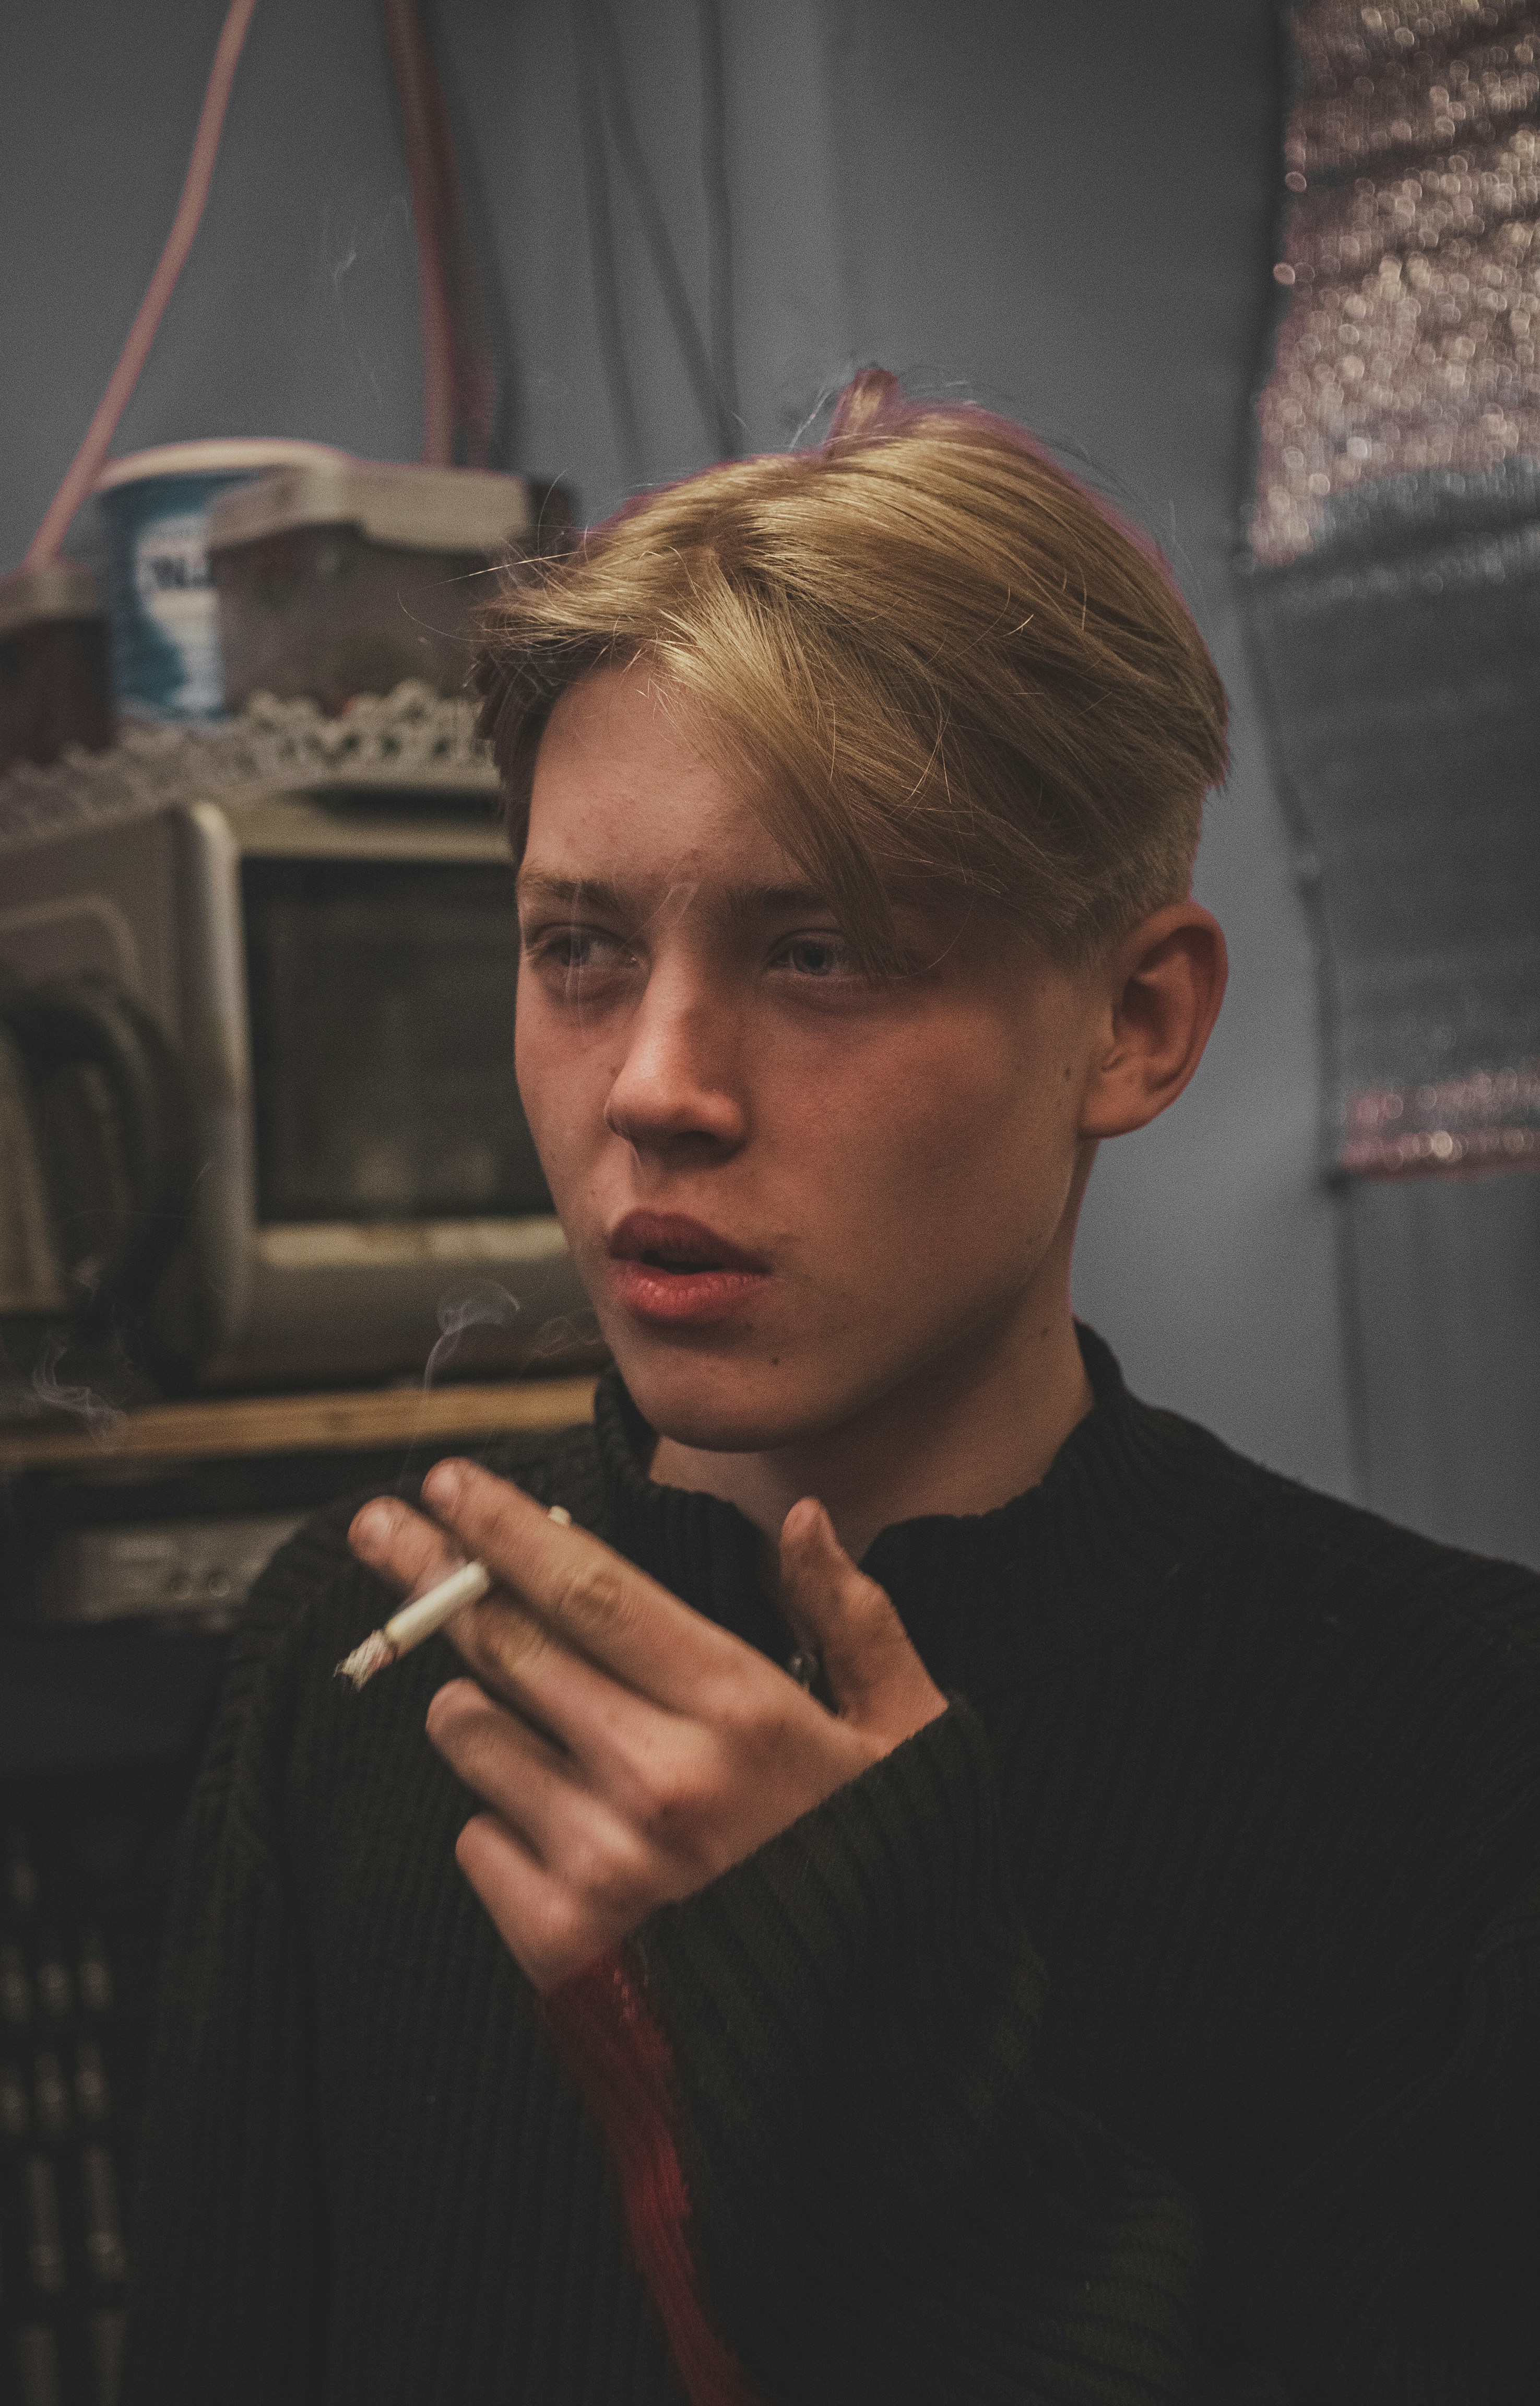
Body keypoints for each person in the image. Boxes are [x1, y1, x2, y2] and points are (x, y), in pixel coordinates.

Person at [123, 373, 1540, 2406]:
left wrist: (860, 2037)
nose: (656, 1089)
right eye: (579, 949)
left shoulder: (1466, 1758)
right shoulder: (354, 1670)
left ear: (1133, 1025)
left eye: (823, 952)